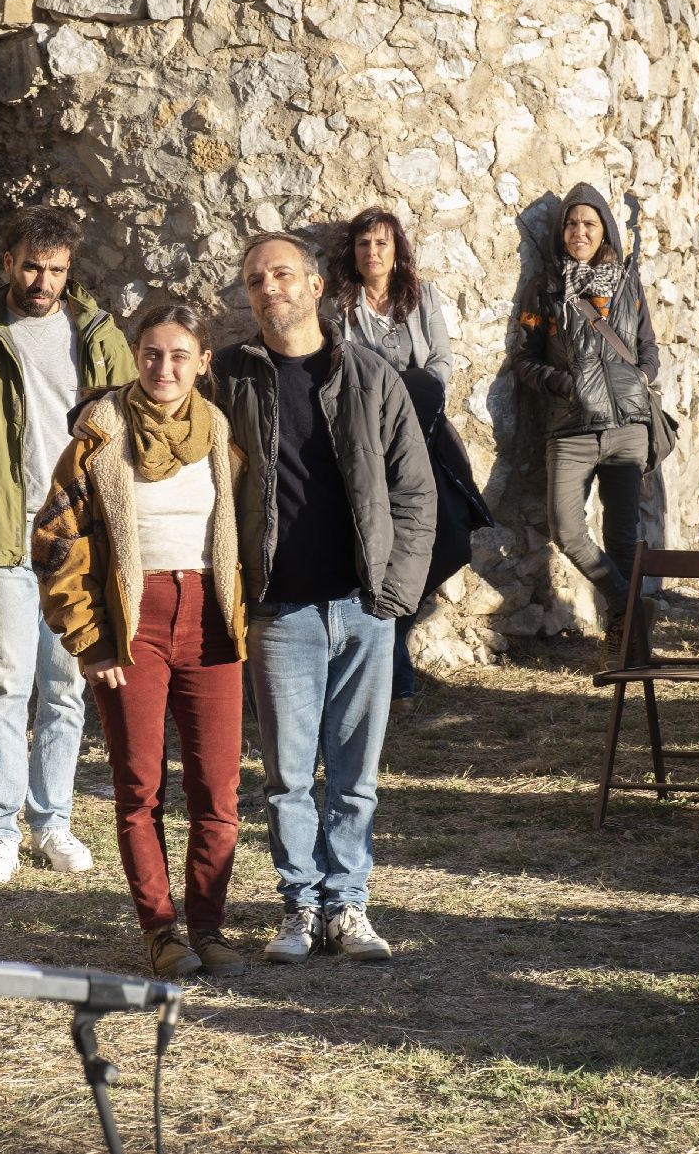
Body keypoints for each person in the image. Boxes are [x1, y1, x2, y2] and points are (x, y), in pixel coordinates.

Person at [210, 231, 435, 965]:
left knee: (354, 773)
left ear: (314, 285)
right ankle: (299, 906)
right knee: (286, 775)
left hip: (362, 607)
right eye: (253, 280)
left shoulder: (370, 376)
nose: (267, 288)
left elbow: (414, 490)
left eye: (281, 274)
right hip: (280, 611)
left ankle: (349, 904)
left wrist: (393, 596)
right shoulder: (230, 379)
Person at [33, 304, 248, 980]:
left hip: (211, 617)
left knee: (218, 790)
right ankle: (161, 930)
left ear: (203, 362)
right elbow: (54, 540)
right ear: (134, 355)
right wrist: (91, 641)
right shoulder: (99, 434)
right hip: (134, 623)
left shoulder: (217, 430)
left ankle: (209, 926)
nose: (165, 368)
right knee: (139, 787)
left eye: (180, 355)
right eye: (152, 354)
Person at [0, 205, 135, 884]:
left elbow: (130, 436)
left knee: (66, 687)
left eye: (57, 269)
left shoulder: (99, 335)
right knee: (5, 685)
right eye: (33, 266)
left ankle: (53, 824)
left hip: (78, 536)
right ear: (7, 263)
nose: (44, 280)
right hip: (3, 536)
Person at [327, 207, 490, 710]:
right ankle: (390, 667)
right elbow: (336, 364)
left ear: (396, 250)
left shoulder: (422, 298)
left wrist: (414, 397)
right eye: (362, 245)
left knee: (444, 532)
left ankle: (397, 633)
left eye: (380, 243)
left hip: (423, 429)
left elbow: (440, 360)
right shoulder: (340, 306)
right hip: (365, 436)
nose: (371, 253)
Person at [511, 183, 662, 667]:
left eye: (589, 224)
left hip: (626, 429)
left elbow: (648, 347)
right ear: (561, 232)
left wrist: (641, 376)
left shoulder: (627, 284)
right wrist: (565, 384)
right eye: (572, 224)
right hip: (570, 428)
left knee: (622, 536)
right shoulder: (546, 288)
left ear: (604, 232)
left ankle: (623, 642)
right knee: (566, 529)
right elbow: (523, 359)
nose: (579, 231)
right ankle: (634, 608)